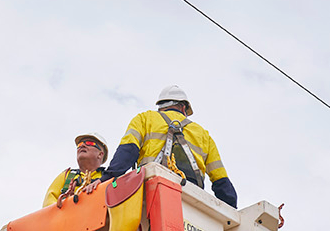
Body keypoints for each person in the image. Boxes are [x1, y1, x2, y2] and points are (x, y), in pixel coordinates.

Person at [92, 85, 237, 208]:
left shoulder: (145, 118)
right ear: (184, 107)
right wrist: (231, 210)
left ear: (161, 106)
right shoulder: (203, 134)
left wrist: (106, 179)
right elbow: (220, 179)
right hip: (190, 198)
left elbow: (127, 151)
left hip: (150, 190)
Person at [43, 133, 109, 206]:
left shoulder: (108, 177)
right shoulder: (67, 175)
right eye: (79, 144)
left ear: (100, 154)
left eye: (89, 143)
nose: (82, 145)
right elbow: (48, 205)